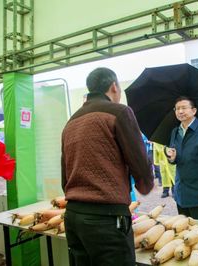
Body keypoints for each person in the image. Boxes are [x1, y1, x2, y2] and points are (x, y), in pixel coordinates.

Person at [61, 67, 154, 266]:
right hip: (106, 219)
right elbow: (137, 157)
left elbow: (65, 174)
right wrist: (145, 184)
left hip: (74, 217)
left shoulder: (71, 121)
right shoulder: (119, 112)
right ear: (114, 86)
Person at [165, 96, 198, 221]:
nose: (180, 111)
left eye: (184, 108)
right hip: (180, 194)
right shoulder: (175, 132)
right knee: (184, 234)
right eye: (177, 109)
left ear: (194, 111)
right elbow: (175, 158)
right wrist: (171, 157)